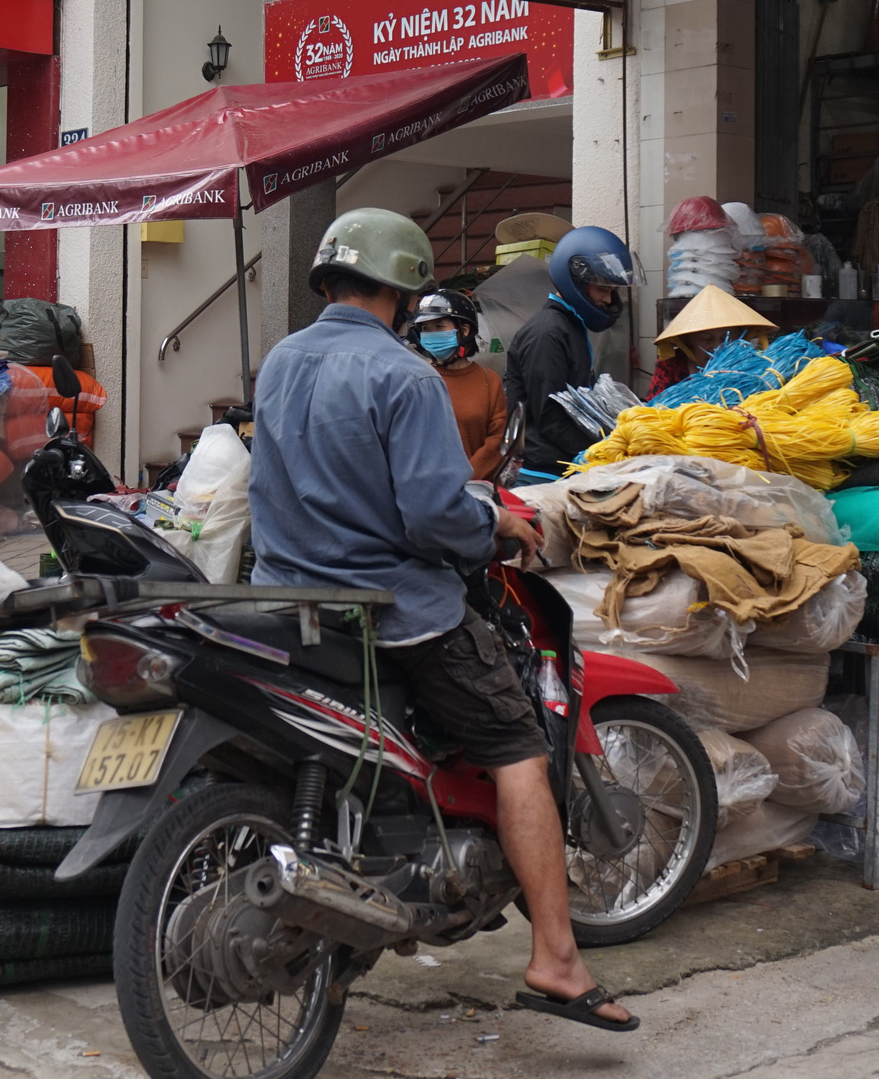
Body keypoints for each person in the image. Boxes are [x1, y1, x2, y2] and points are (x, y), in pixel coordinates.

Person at [250, 209, 635, 1032]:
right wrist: (493, 524)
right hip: (395, 610)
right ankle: (557, 957)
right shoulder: (404, 376)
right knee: (520, 748)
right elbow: (432, 514)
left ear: (329, 278)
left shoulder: (280, 360)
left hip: (289, 603)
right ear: (403, 286)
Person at [503, 227, 638, 481]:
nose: (608, 301)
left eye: (611, 291)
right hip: (542, 473)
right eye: (603, 290)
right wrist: (600, 451)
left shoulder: (568, 325)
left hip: (563, 466)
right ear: (577, 282)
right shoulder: (548, 332)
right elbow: (551, 416)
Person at [409, 289, 507, 480]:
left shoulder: (489, 382)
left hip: (477, 490)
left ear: (464, 331)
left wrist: (464, 479)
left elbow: (497, 441)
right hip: (428, 490)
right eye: (426, 329)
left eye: (439, 326)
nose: (431, 335)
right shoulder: (416, 380)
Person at [645, 284, 778, 398]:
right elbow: (654, 408)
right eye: (706, 339)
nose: (716, 347)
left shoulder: (753, 367)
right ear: (689, 340)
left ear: (740, 339)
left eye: (726, 338)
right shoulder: (671, 366)